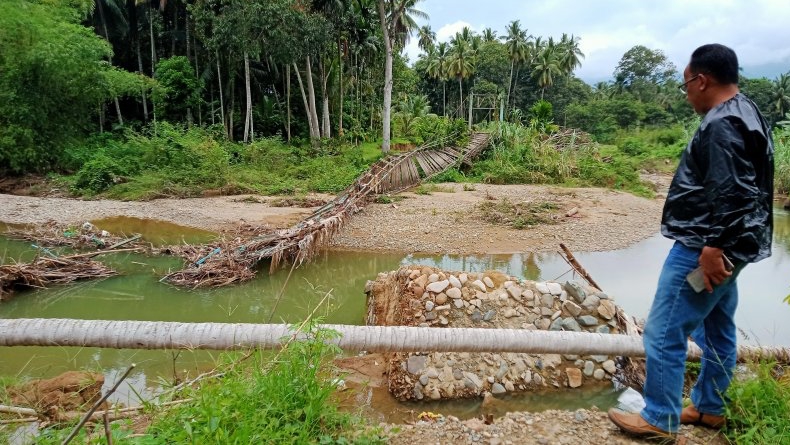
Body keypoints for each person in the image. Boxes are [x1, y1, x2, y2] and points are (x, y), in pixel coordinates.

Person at [608, 43, 775, 438]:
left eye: (686, 85)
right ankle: (708, 407)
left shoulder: (720, 124)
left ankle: (658, 418)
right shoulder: (747, 112)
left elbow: (733, 191)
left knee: (663, 332)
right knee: (715, 325)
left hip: (706, 248)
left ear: (702, 80)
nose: (686, 94)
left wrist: (713, 248)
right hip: (736, 245)